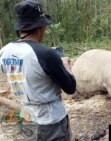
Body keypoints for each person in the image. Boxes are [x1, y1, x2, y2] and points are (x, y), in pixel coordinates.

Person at [0, 0, 76, 140]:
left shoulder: (4, 51)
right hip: (50, 122)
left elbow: (20, 69)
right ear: (40, 28)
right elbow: (70, 88)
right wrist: (65, 65)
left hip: (25, 116)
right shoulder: (46, 54)